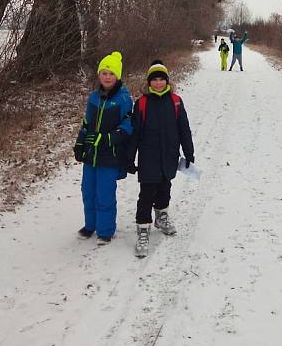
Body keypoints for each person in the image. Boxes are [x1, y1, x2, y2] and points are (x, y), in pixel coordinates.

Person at [128, 60, 195, 258]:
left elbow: (184, 129)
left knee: (165, 188)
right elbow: (135, 134)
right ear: (149, 82)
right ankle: (143, 228)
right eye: (154, 80)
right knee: (146, 194)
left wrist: (189, 153)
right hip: (148, 157)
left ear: (167, 81)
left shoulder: (175, 101)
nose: (158, 83)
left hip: (169, 155)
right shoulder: (141, 103)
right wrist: (130, 158)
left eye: (161, 79)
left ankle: (161, 217)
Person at [73, 51, 133, 244]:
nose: (107, 77)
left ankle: (106, 230)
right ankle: (90, 225)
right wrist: (80, 143)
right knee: (88, 191)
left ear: (117, 76)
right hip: (91, 154)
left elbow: (127, 126)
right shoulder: (93, 98)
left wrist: (107, 138)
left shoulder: (123, 99)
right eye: (104, 73)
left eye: (111, 74)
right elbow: (86, 122)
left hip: (110, 156)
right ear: (99, 75)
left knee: (104, 194)